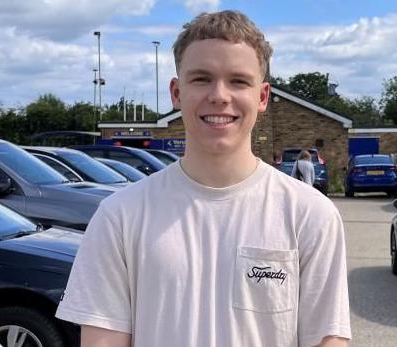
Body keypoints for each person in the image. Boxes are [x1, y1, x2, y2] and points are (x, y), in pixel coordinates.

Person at [56, 10, 351, 347]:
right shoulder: (119, 216)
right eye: (201, 79)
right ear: (177, 93)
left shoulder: (310, 214)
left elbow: (327, 339)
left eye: (238, 81)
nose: (219, 95)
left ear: (263, 96)